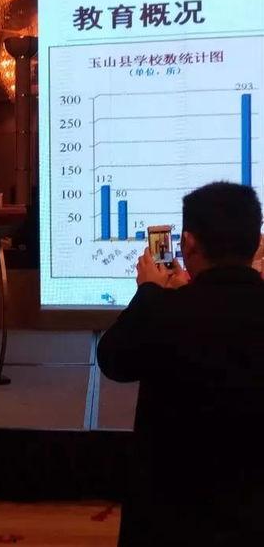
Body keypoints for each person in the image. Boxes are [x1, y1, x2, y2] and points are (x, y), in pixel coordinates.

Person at [97, 181, 264, 547]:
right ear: (257, 241)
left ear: (187, 244)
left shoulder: (165, 311)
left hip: (170, 520)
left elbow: (112, 359)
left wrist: (149, 293)